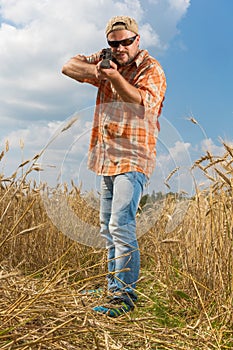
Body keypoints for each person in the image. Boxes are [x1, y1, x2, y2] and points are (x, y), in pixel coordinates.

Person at [62, 15, 166, 317]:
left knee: (121, 225)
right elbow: (68, 66)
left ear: (137, 39)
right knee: (107, 229)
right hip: (106, 156)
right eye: (113, 43)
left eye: (125, 42)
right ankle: (112, 285)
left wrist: (114, 77)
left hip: (134, 157)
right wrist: (99, 70)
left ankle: (124, 297)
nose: (119, 48)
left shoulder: (152, 69)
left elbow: (138, 103)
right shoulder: (107, 59)